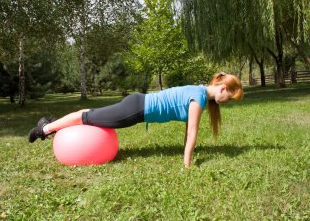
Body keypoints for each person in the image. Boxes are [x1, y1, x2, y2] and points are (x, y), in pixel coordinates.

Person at [28, 72, 243, 168]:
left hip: (138, 104)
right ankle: (44, 128)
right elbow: (192, 133)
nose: (227, 102)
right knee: (87, 117)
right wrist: (187, 165)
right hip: (136, 110)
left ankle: (51, 123)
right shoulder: (198, 97)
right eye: (229, 98)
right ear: (223, 88)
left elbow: (188, 130)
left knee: (91, 114)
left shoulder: (198, 93)